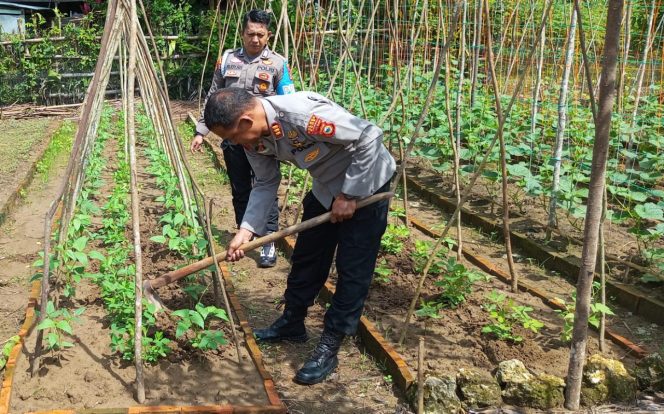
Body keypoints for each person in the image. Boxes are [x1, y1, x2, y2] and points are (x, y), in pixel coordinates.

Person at [203, 88, 396, 385]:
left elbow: (369, 135)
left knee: (352, 268)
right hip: (327, 187)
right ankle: (292, 322)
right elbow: (266, 181)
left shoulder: (300, 115)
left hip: (367, 185)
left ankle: (330, 346)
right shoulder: (254, 139)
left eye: (231, 137)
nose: (232, 144)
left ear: (244, 121)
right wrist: (246, 230)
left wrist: (349, 194)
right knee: (308, 255)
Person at [191, 9, 294, 268]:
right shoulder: (227, 60)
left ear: (269, 35)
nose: (256, 39)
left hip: (263, 139)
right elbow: (214, 96)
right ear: (243, 33)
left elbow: (289, 101)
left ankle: (267, 240)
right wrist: (201, 131)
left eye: (261, 35)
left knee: (265, 184)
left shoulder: (278, 64)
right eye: (251, 34)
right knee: (239, 187)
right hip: (233, 138)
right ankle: (244, 235)